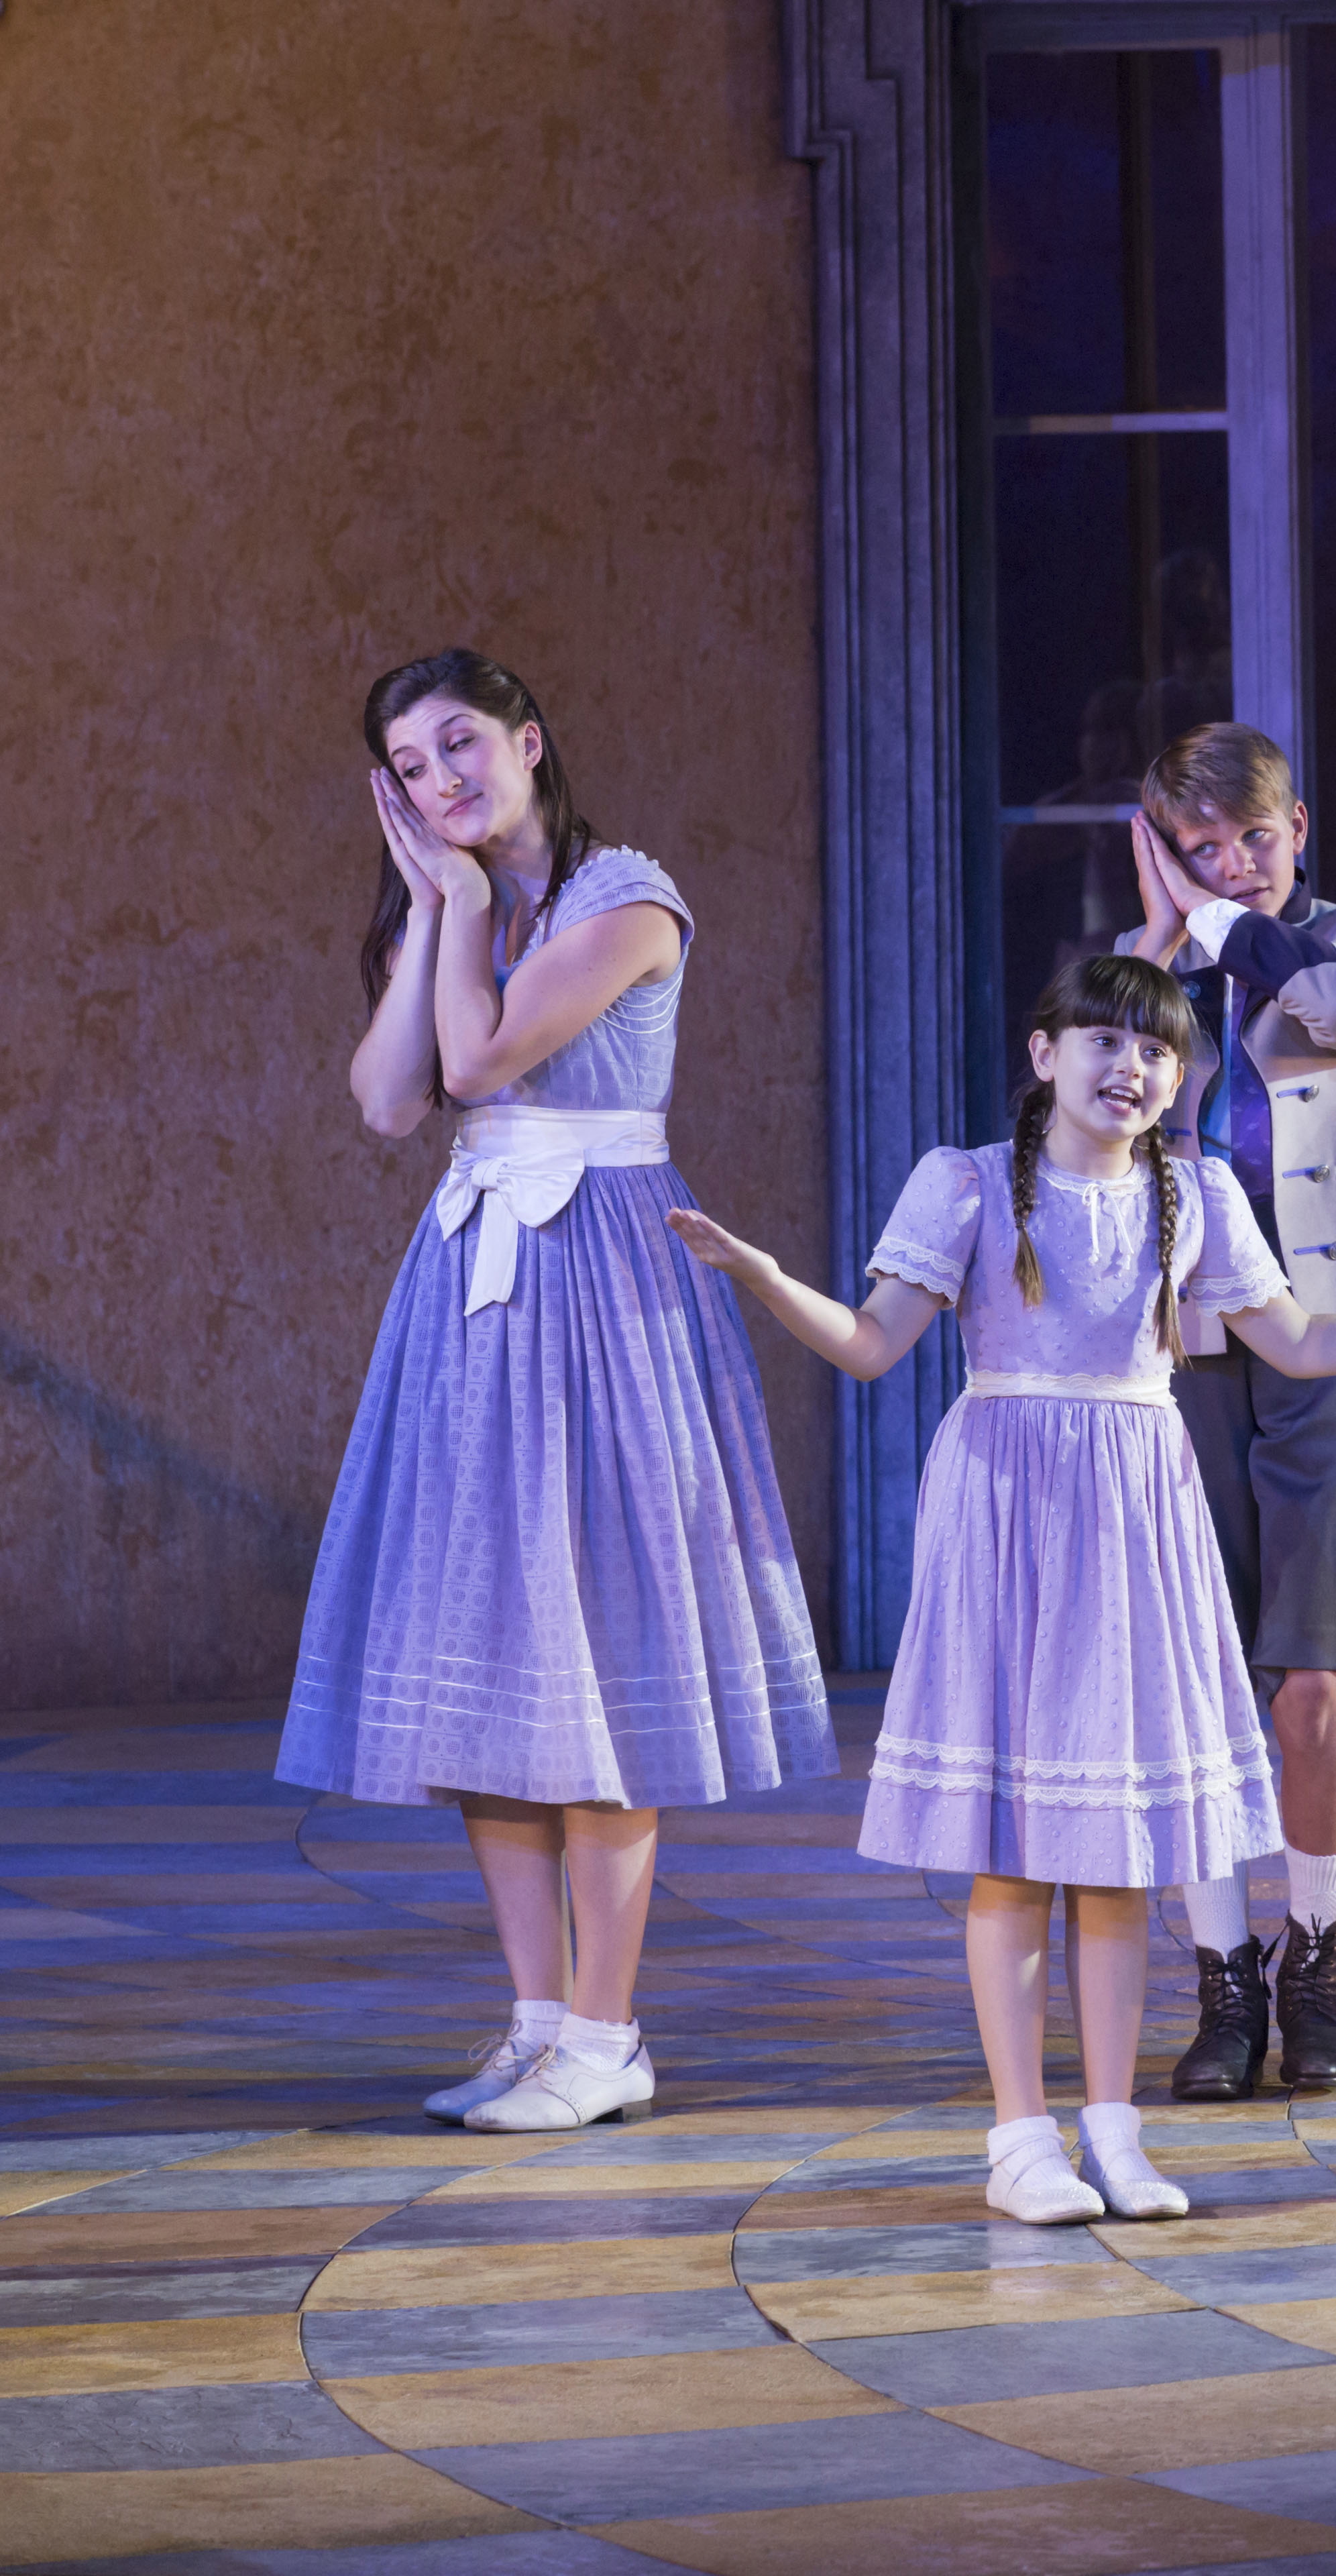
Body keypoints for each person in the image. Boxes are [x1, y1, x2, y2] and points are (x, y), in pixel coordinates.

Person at [670, 956, 1336, 2209]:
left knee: (1113, 1850)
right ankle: (1019, 2141)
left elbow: (1299, 1341)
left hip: (1137, 1511)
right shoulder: (964, 1183)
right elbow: (874, 1345)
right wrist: (766, 1277)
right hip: (1007, 1506)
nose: (1132, 1067)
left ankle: (1111, 2133)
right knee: (1012, 1852)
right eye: (1105, 1040)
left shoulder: (1195, 1191)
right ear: (1045, 1053)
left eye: (1158, 1051)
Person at [281, 648, 830, 2135]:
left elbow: (478, 1064)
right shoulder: (457, 905)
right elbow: (388, 1100)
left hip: (601, 1281)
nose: (440, 779)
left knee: (599, 1656)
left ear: (529, 740)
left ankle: (607, 2030)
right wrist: (436, 913)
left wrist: (459, 909)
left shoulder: (623, 899)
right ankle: (538, 2023)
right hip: (477, 1286)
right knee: (496, 1662)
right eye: (409, 767)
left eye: (459, 743)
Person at [1115, 723, 1336, 2099]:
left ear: (1297, 826)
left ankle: (1316, 1961)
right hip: (1182, 1339)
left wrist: (1218, 923)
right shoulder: (1148, 964)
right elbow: (1090, 1113)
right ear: (1165, 851)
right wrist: (1162, 946)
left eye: (1254, 837)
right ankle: (1221, 1977)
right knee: (1199, 1675)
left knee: (1314, 1678)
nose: (1236, 864)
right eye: (1202, 847)